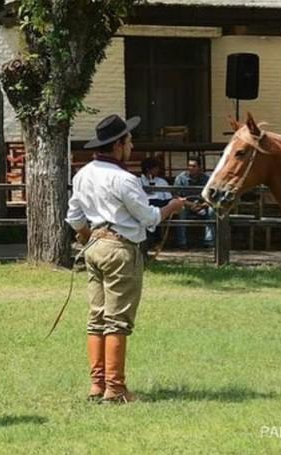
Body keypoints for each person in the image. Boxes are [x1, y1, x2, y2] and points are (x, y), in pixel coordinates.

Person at [65, 114, 185, 403]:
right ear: (118, 145)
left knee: (97, 319)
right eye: (129, 141)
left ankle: (97, 385)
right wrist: (172, 206)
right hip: (121, 249)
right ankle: (116, 389)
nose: (131, 146)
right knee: (117, 321)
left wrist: (89, 237)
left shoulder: (82, 174)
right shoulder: (124, 179)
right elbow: (149, 218)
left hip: (94, 246)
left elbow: (74, 218)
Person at [174, 158, 215, 248]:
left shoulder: (206, 179)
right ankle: (182, 242)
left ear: (199, 168)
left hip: (202, 206)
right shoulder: (180, 178)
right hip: (186, 205)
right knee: (181, 210)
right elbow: (176, 196)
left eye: (194, 166)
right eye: (189, 166)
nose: (190, 168)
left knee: (212, 211)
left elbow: (212, 197)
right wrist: (191, 205)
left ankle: (209, 241)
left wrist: (203, 205)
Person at [139, 158, 172, 247]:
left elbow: (168, 197)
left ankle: (157, 240)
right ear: (148, 169)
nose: (157, 170)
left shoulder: (161, 181)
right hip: (145, 207)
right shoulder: (138, 181)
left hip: (160, 206)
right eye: (155, 168)